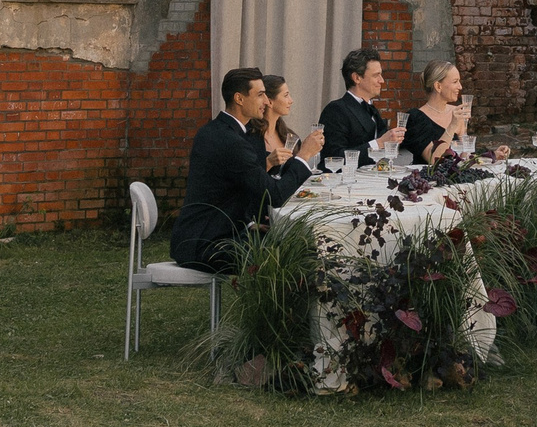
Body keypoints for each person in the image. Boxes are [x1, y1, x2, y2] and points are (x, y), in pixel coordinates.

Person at [169, 66, 306, 273]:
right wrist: (304, 157)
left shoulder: (215, 130)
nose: (266, 101)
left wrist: (249, 224)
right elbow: (274, 194)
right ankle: (268, 306)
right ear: (239, 99)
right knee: (293, 252)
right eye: (260, 95)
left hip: (198, 237)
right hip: (208, 245)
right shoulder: (232, 141)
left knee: (289, 241)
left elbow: (224, 192)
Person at [400, 62, 510, 167]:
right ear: (438, 86)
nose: (460, 87)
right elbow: (433, 159)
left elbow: (465, 157)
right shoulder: (415, 118)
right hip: (428, 180)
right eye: (455, 81)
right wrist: (452, 126)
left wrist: (492, 155)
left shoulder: (456, 112)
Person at [318, 48, 405, 164]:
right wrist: (379, 143)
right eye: (376, 75)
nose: (382, 80)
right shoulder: (335, 110)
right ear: (357, 78)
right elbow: (334, 158)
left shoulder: (372, 110)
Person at [249, 74, 323, 193]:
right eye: (286, 95)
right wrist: (268, 162)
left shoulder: (289, 136)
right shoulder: (250, 137)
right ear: (269, 101)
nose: (291, 100)